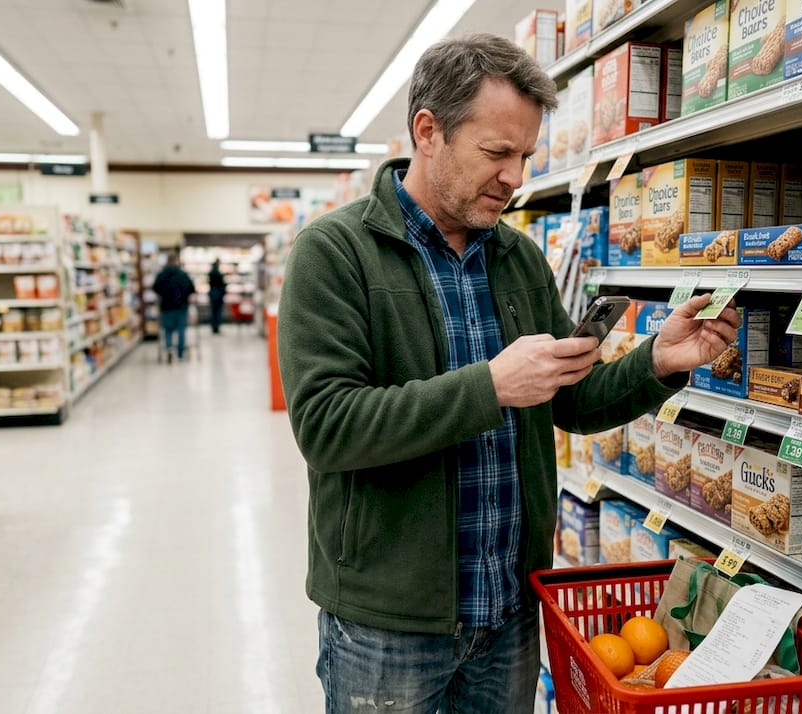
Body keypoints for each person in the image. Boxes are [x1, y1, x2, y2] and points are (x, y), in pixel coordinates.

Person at [277, 33, 741, 714]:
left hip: (510, 608)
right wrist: (490, 387)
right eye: (496, 153)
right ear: (427, 132)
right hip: (390, 624)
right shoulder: (335, 253)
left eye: (524, 155)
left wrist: (658, 361)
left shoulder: (518, 258)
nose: (515, 177)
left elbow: (572, 401)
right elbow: (327, 426)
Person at [151, 250, 195, 363]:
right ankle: (180, 353)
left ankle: (169, 349)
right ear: (177, 260)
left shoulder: (162, 275)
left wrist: (163, 294)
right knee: (181, 330)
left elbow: (155, 288)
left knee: (168, 329)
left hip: (166, 307)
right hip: (181, 307)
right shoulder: (183, 274)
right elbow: (192, 288)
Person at [207, 259, 227, 334]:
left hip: (212, 293)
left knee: (213, 311)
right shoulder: (219, 274)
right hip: (218, 294)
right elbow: (222, 285)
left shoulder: (210, 273)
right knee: (218, 311)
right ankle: (217, 327)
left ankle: (213, 327)